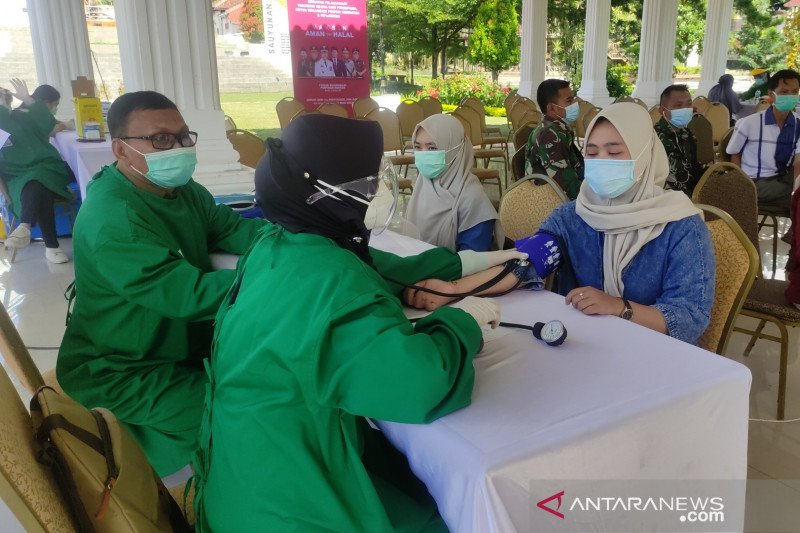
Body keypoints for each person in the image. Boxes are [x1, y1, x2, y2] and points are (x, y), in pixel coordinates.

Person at [191, 114, 525, 531]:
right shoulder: (331, 281)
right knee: (458, 511)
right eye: (368, 183)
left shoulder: (278, 243)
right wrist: (462, 324)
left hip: (246, 473)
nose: (380, 193)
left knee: (412, 481)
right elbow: (417, 383)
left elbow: (379, 266)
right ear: (322, 192)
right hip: (290, 505)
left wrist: (473, 262)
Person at [56, 91, 267, 477]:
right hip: (120, 369)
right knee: (239, 415)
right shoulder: (113, 218)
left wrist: (305, 241)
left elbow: (238, 231)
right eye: (161, 140)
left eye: (184, 137)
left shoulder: (183, 192)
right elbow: (189, 294)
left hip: (174, 351)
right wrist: (286, 279)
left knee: (268, 387)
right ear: (120, 150)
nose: (179, 148)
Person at [538, 103, 715, 345]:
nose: (601, 161)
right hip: (585, 344)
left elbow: (690, 318)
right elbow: (531, 259)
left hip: (655, 353)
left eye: (614, 153)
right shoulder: (574, 215)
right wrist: (477, 269)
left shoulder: (681, 225)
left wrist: (618, 307)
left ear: (643, 156)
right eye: (591, 153)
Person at [0, 79, 74, 263]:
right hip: (15, 176)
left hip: (45, 166)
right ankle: (51, 246)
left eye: (4, 99)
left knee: (37, 178)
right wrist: (5, 194)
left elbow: (47, 125)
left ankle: (25, 227)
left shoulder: (23, 115)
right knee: (39, 186)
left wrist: (30, 100)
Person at [406, 114, 503, 252]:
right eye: (418, 147)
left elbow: (471, 262)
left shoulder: (473, 201)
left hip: (457, 273)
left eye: (432, 148)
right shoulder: (422, 188)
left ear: (455, 150)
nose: (423, 154)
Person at [726, 69, 800, 211]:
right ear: (772, 95)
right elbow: (734, 154)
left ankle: (793, 231)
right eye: (784, 92)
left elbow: (798, 161)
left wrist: (795, 188)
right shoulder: (749, 123)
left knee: (797, 196)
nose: (790, 96)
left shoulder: (797, 124)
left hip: (783, 177)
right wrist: (740, 185)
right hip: (755, 182)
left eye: (794, 92)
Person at [525, 78, 584, 199]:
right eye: (569, 101)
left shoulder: (558, 129)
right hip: (551, 202)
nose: (574, 104)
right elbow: (566, 185)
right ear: (552, 108)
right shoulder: (550, 135)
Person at [654, 84, 704, 196]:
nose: (685, 109)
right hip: (668, 197)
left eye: (689, 104)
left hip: (692, 192)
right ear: (662, 110)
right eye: (678, 105)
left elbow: (694, 166)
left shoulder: (687, 133)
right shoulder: (655, 138)